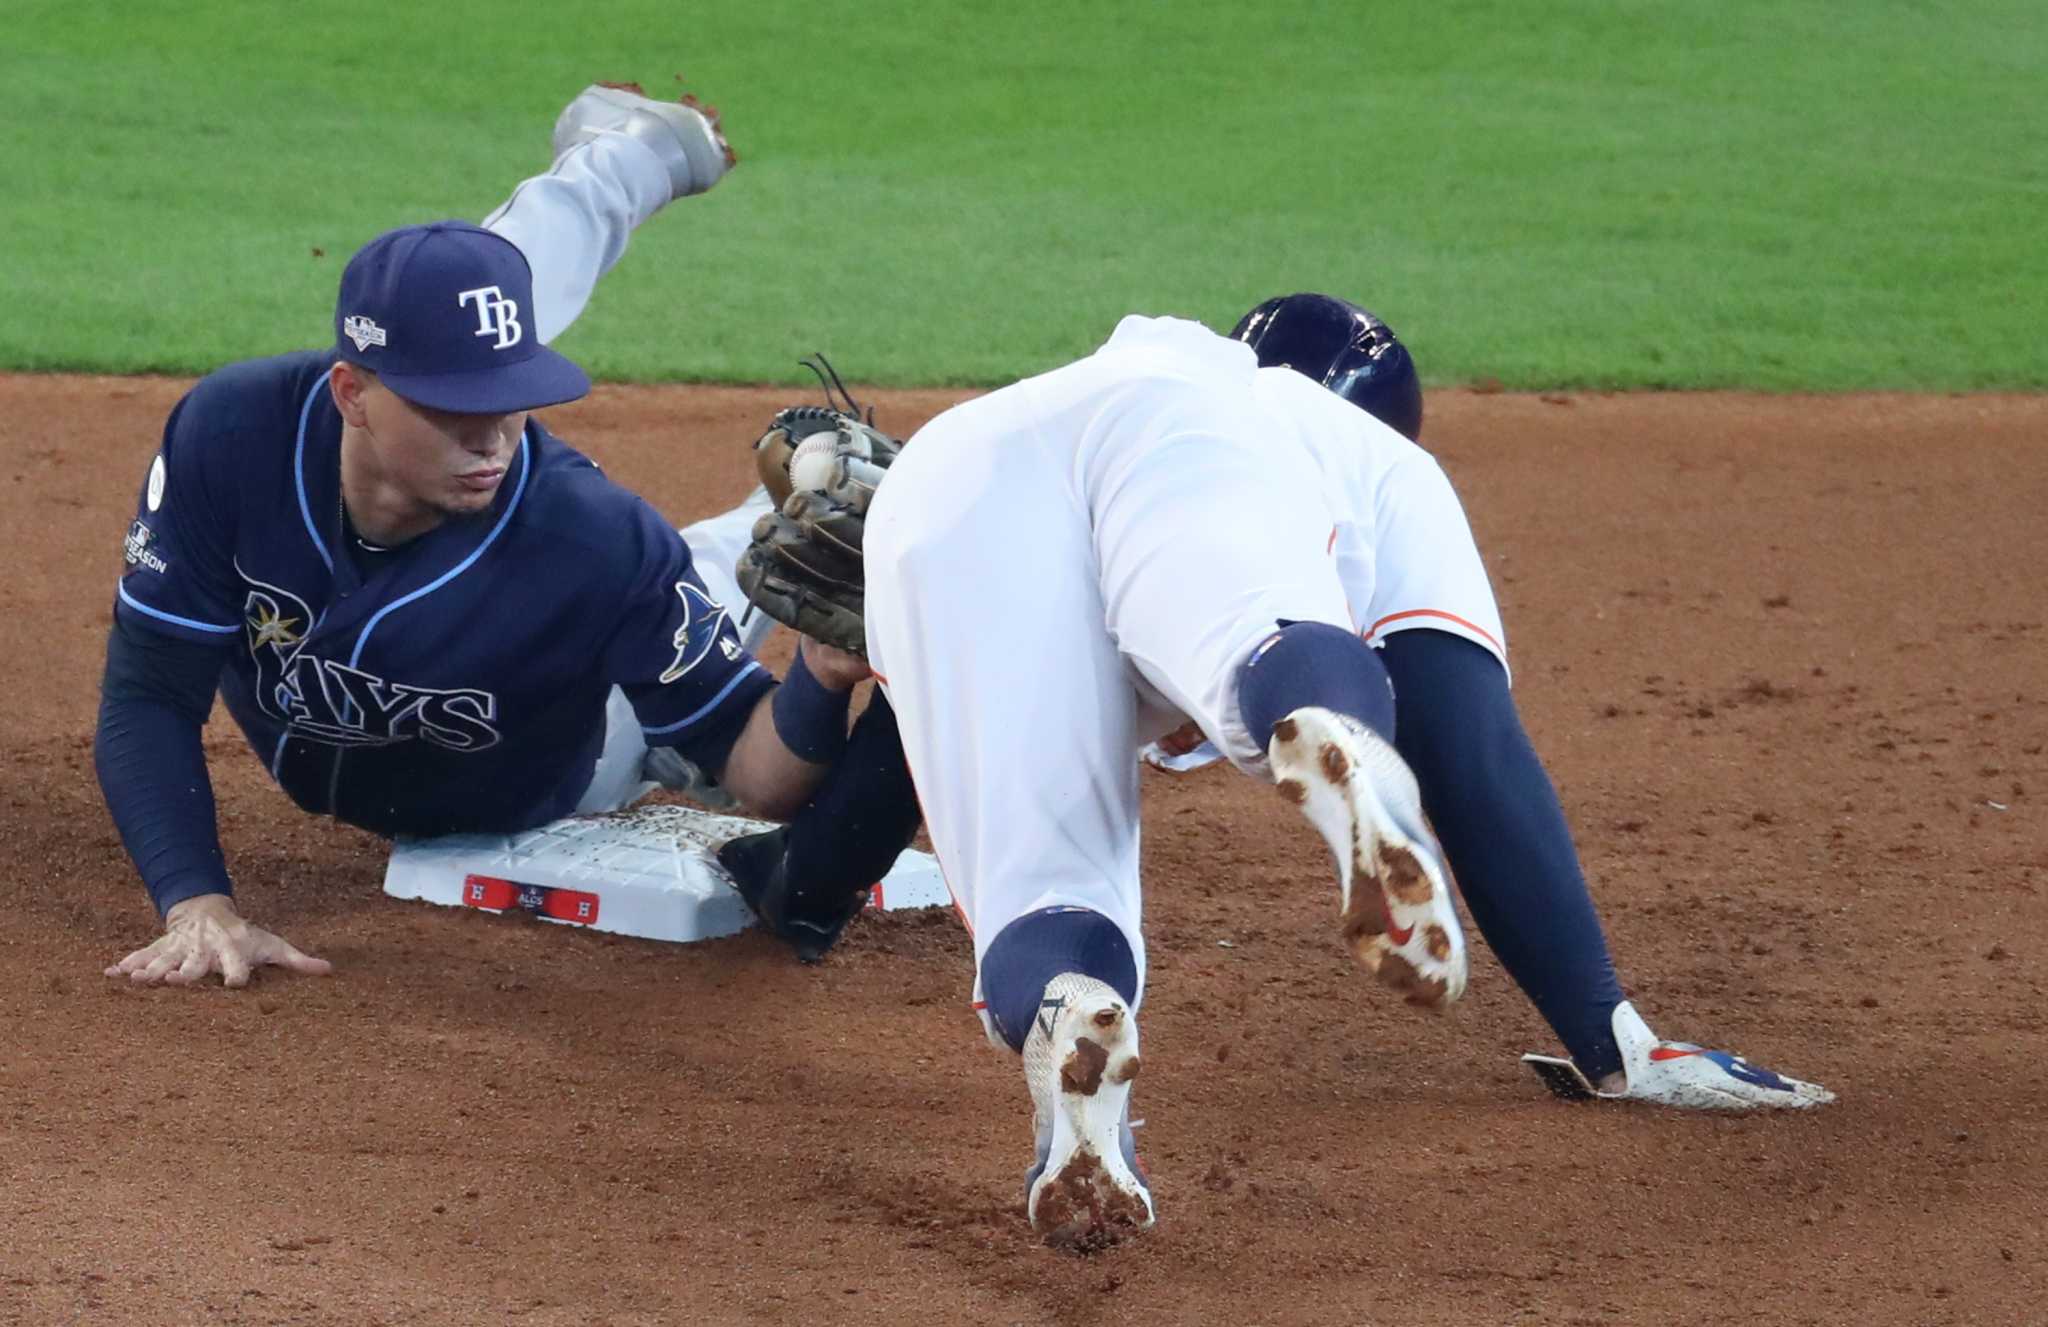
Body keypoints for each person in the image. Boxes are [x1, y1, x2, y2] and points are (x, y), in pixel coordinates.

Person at [809, 295, 1840, 1248]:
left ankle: (1065, 1007)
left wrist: (790, 878)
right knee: (1261, 647)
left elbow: (877, 789)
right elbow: (1470, 752)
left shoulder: (1119, 390)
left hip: (943, 480)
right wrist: (1608, 1034)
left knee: (1045, 890)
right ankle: (1323, 728)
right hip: (1168, 444)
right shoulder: (1338, 444)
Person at [98, 85, 875, 989]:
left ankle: (846, 480)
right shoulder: (235, 436)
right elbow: (148, 693)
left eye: (512, 400)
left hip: (581, 751)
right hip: (492, 543)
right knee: (457, 294)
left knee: (750, 558)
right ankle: (632, 154)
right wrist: (196, 900)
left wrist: (820, 678)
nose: (493, 436)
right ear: (351, 393)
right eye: (455, 408)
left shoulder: (590, 536)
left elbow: (761, 772)